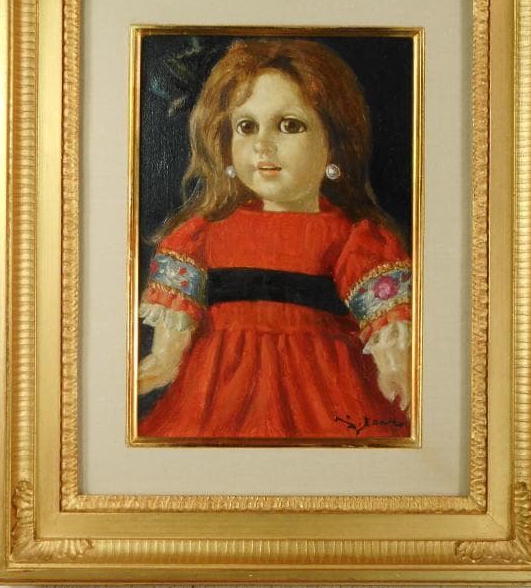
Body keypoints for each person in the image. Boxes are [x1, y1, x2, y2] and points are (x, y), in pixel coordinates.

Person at [137, 38, 412, 440]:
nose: (263, 145)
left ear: (334, 142)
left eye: (289, 125)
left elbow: (388, 336)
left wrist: (394, 366)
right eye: (246, 127)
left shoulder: (356, 239)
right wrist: (151, 369)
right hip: (215, 401)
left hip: (328, 399)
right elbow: (167, 356)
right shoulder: (199, 236)